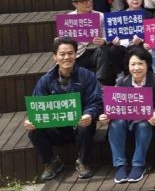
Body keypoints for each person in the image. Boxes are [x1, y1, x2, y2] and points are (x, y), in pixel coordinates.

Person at [24, 37, 102, 181]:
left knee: (86, 126)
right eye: (62, 54)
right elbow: (36, 106)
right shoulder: (45, 80)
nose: (67, 57)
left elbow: (95, 101)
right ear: (55, 56)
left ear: (76, 54)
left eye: (70, 53)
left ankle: (83, 161)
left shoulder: (87, 76)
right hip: (56, 127)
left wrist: (89, 115)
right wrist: (31, 119)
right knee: (34, 130)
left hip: (80, 125)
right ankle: (52, 162)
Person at [99, 46, 155, 183]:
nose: (136, 68)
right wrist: (106, 115)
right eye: (132, 64)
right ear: (128, 66)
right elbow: (113, 105)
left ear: (147, 64)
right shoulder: (121, 82)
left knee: (143, 125)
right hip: (126, 121)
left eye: (140, 63)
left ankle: (138, 165)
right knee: (115, 124)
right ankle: (120, 165)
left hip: (147, 122)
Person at [66, 0, 114, 85]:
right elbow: (62, 40)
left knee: (104, 49)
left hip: (95, 52)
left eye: (89, 0)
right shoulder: (68, 19)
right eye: (83, 1)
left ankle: (99, 82)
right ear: (75, 4)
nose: (88, 3)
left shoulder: (100, 16)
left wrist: (104, 41)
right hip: (78, 54)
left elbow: (109, 36)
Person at [109, 0, 148, 77]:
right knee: (113, 49)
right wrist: (115, 42)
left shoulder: (148, 15)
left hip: (140, 45)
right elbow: (113, 34)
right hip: (123, 45)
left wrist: (142, 41)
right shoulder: (119, 16)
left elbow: (152, 35)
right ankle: (120, 76)